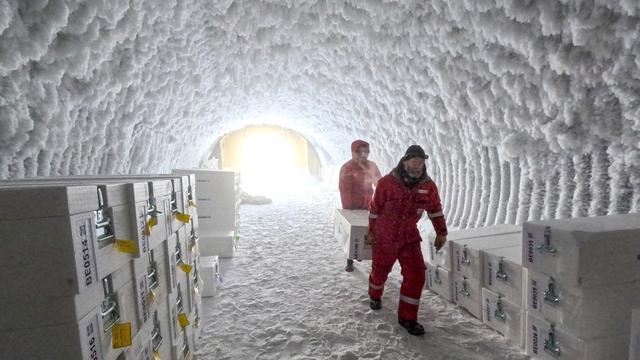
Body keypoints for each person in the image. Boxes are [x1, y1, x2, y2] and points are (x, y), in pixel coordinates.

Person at [366, 145, 448, 336]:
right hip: (385, 235)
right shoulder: (387, 182)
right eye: (413, 161)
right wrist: (372, 231)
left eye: (421, 162)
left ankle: (407, 318)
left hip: (409, 236)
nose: (417, 165)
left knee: (417, 274)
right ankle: (375, 295)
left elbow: (435, 210)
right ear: (404, 162)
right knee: (380, 270)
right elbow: (375, 208)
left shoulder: (428, 186)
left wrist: (441, 232)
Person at [339, 139, 382, 272]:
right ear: (353, 153)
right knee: (353, 233)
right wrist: (348, 208)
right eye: (360, 152)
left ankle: (365, 255)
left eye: (366, 152)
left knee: (369, 231)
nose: (363, 155)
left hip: (368, 204)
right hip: (353, 206)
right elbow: (345, 189)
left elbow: (380, 183)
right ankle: (350, 260)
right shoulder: (347, 168)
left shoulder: (371, 166)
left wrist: (381, 200)